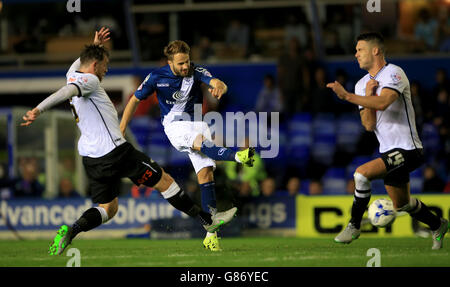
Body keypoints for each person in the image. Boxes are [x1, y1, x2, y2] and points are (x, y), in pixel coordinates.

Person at [21, 27, 236, 256]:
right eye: (105, 66)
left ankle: (72, 230)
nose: (107, 70)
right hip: (116, 152)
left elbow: (81, 67)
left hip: (91, 158)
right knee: (165, 181)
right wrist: (38, 109)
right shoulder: (90, 81)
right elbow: (66, 91)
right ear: (95, 67)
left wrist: (97, 46)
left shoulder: (72, 72)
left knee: (108, 209)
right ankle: (207, 221)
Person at [119, 40, 255, 251]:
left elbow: (216, 82)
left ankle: (211, 236)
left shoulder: (196, 71)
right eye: (181, 63)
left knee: (206, 175)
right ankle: (238, 156)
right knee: (200, 144)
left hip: (199, 122)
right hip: (175, 125)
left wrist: (220, 86)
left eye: (187, 62)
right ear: (170, 61)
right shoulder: (156, 77)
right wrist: (121, 129)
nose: (185, 67)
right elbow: (134, 100)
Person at [327, 32, 449, 249]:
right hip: (389, 152)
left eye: (360, 49)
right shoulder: (361, 85)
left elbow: (384, 102)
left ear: (375, 50)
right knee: (402, 204)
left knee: (361, 174)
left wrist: (347, 97)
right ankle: (438, 224)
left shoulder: (394, 73)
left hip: (409, 149)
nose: (356, 54)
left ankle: (354, 226)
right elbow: (368, 125)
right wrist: (366, 94)